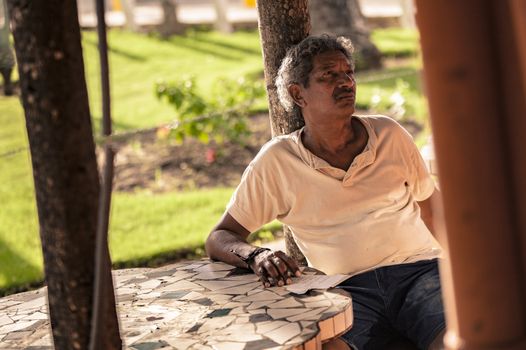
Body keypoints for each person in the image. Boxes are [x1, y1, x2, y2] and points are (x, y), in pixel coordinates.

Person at [205, 35, 445, 350]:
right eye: (329, 76)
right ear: (297, 94)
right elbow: (220, 236)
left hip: (420, 273)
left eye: (348, 73)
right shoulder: (277, 162)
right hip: (345, 291)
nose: (346, 82)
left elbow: (433, 209)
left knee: (460, 340)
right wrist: (257, 255)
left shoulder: (390, 135)